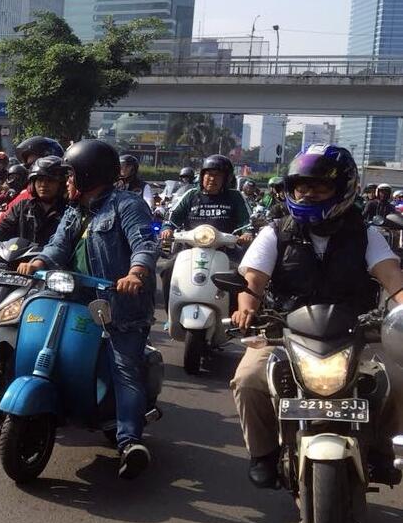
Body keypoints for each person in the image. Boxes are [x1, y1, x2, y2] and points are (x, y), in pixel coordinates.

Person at [229, 144, 403, 488]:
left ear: (343, 189)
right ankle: (262, 453)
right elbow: (253, 281)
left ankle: (382, 449)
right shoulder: (276, 232)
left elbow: (392, 279)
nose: (308, 194)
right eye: (301, 187)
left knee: (396, 381)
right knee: (247, 380)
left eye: (319, 187)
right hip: (283, 329)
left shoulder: (366, 234)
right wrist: (246, 308)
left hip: (356, 331)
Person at [17, 139, 159, 480]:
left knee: (124, 368)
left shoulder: (127, 206)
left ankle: (129, 442)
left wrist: (135, 273)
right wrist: (38, 260)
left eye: (70, 175)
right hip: (76, 300)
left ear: (87, 175)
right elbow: (58, 246)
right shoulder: (75, 210)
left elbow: (144, 242)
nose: (65, 182)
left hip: (118, 307)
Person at [158, 154, 253, 298]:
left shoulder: (235, 197)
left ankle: (235, 316)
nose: (212, 179)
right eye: (208, 174)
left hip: (226, 250)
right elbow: (172, 217)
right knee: (168, 269)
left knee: (240, 276)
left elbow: (247, 221)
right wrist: (167, 229)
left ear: (226, 179)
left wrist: (247, 233)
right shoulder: (191, 195)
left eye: (218, 175)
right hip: (190, 248)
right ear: (202, 176)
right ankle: (171, 316)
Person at [0, 155, 68, 250]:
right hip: (17, 264)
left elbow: (61, 246)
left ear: (61, 184)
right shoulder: (23, 206)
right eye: (40, 180)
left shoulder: (68, 211)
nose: (43, 185)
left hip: (51, 268)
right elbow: (3, 228)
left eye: (50, 180)